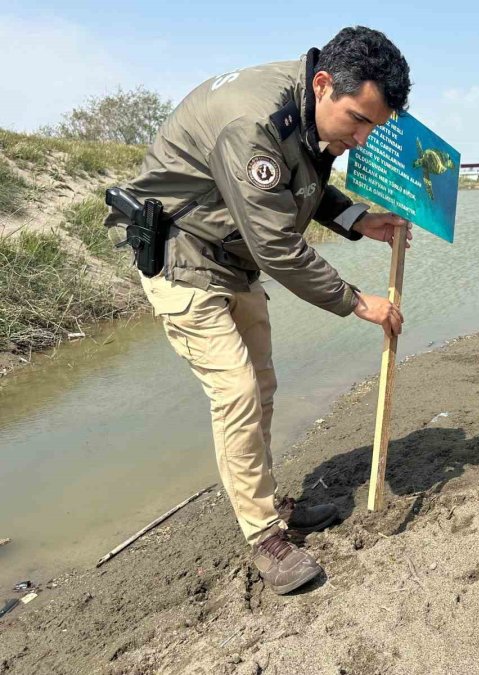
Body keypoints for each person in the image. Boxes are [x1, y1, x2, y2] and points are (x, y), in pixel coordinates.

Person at [106, 26, 412, 594]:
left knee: (262, 385)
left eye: (375, 125)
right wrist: (354, 301)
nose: (364, 138)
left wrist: (356, 220)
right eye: (359, 120)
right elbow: (277, 244)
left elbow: (303, 185)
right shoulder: (251, 120)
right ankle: (263, 533)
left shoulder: (305, 109)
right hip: (183, 255)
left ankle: (268, 500)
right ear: (323, 84)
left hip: (233, 256)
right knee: (237, 391)